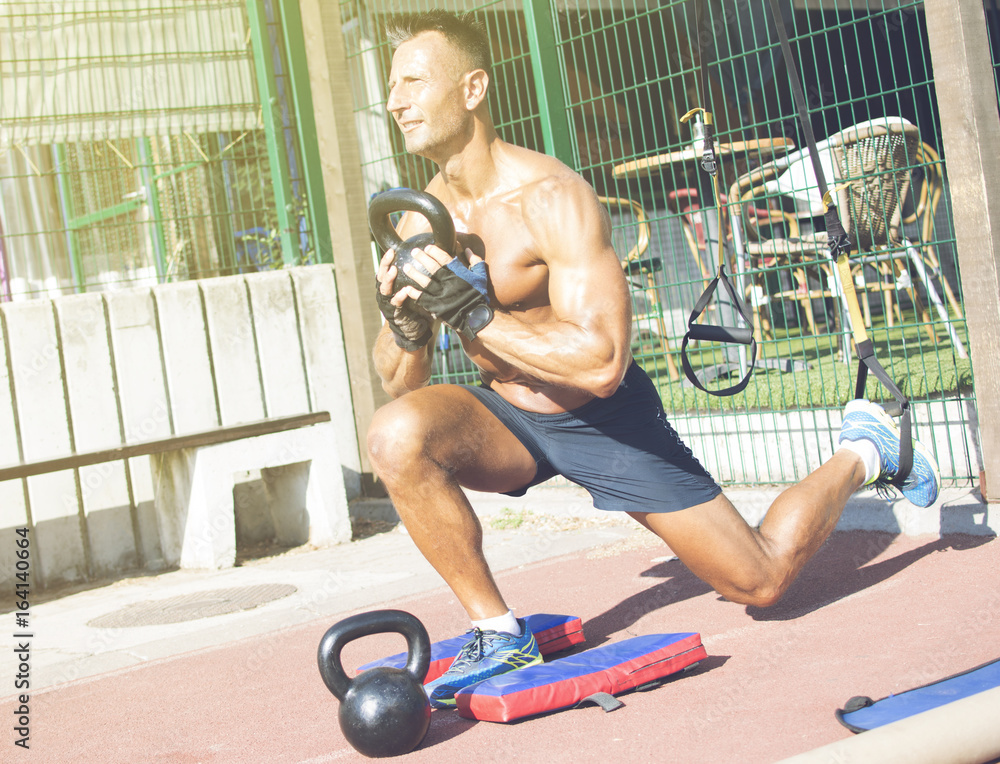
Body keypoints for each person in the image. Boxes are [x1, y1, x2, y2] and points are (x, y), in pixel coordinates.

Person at [366, 10, 940, 709]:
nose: (394, 101)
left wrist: (471, 312)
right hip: (508, 417)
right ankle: (496, 629)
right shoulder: (417, 217)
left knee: (759, 582)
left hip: (602, 418)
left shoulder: (551, 198)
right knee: (395, 434)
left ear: (473, 88)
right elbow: (400, 379)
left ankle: (867, 449)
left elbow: (603, 363)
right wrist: (406, 321)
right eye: (391, 85)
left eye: (413, 81)